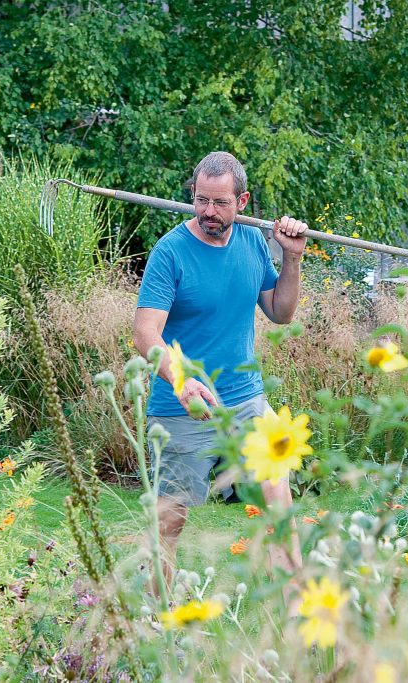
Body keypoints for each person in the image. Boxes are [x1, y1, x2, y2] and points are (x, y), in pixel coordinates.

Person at [133, 151, 308, 590]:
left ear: (242, 200)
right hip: (183, 409)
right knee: (168, 524)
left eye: (221, 203)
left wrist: (292, 257)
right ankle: (155, 623)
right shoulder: (170, 252)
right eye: (201, 200)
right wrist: (179, 378)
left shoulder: (251, 243)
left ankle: (300, 612)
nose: (209, 213)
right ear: (192, 194)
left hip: (246, 400)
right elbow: (146, 335)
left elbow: (280, 312)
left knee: (278, 501)